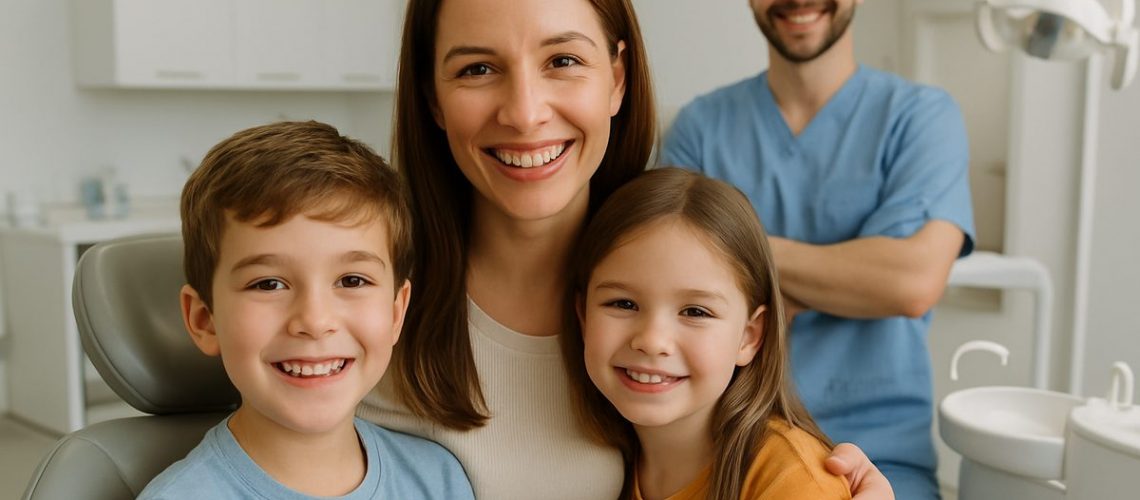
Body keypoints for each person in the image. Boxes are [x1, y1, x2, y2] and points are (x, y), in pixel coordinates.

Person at [357, 0, 893, 498]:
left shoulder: (672, 316)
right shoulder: (356, 297)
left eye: (563, 59)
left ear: (617, 78)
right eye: (477, 68)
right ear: (432, 95)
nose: (524, 113)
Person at [660, 1, 976, 498]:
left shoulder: (919, 118)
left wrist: (739, 260)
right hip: (729, 456)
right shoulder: (700, 128)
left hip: (884, 463)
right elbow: (668, 277)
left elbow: (910, 283)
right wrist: (853, 273)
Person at [139, 121, 474, 499]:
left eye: (352, 281)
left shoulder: (437, 480)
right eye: (268, 284)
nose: (315, 322)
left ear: (396, 313)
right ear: (204, 320)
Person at [563, 167, 852, 500]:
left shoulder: (795, 482)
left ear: (749, 336)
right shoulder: (598, 468)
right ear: (583, 316)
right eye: (623, 303)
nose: (652, 340)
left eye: (695, 312)